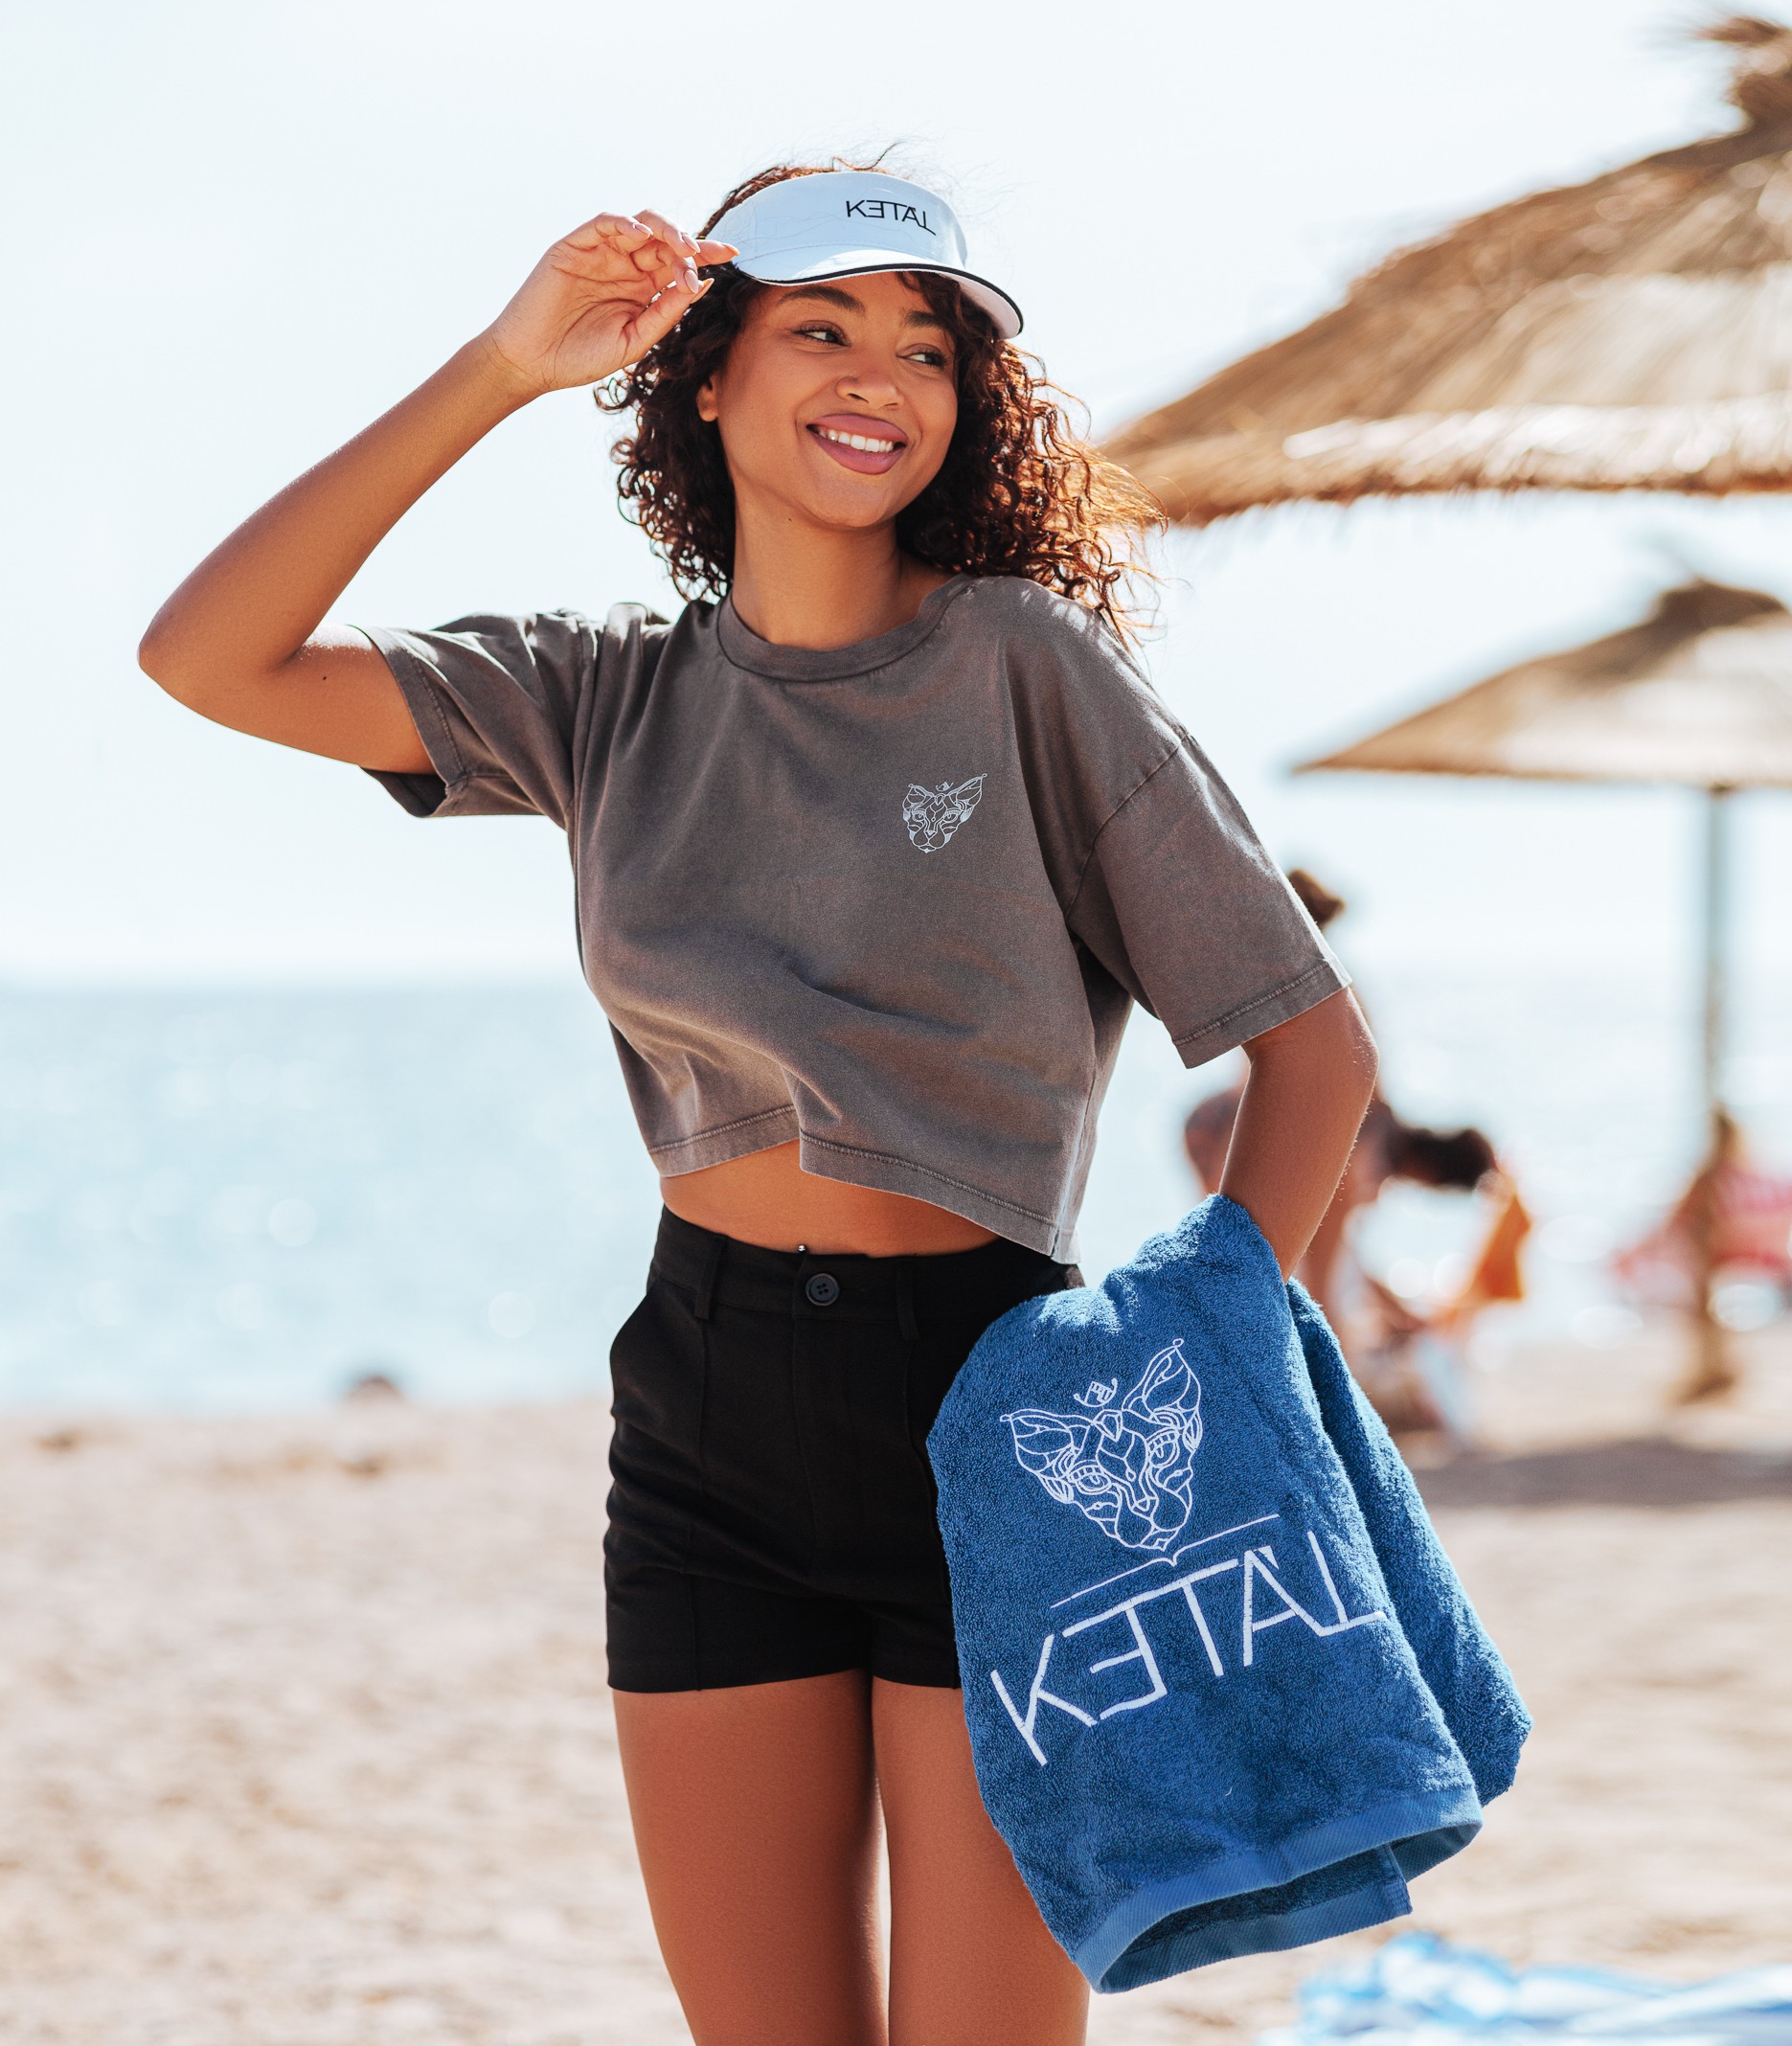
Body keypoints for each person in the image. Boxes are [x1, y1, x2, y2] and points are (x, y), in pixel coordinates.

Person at [140, 164, 1377, 2046]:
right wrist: (497, 366)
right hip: (701, 1411)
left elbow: (1307, 1047)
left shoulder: (1023, 668)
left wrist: (1206, 1368)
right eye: (821, 322)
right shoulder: (596, 696)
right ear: (701, 374)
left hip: (1001, 1410)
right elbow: (204, 655)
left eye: (927, 342)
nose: (879, 368)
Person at [1183, 871, 1528, 1442]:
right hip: (1276, 1129)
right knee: (1282, 1270)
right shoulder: (1341, 1002)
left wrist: (1397, 1312)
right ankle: (1320, 1410)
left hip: (1216, 1123)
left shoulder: (1284, 979)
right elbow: (1335, 1249)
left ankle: (1276, 1393)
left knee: (1243, 1262)